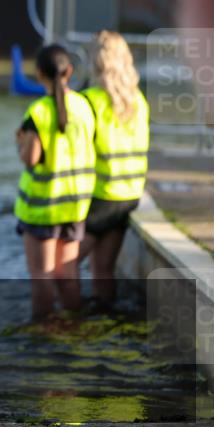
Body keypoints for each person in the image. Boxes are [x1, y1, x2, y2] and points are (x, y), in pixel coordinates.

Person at [14, 45, 96, 320]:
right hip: (74, 206)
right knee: (68, 275)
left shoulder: (39, 111)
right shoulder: (85, 106)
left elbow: (31, 158)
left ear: (39, 74)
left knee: (42, 275)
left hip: (43, 207)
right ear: (69, 72)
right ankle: (73, 326)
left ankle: (42, 333)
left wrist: (20, 142)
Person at [78, 32, 149, 305]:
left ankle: (63, 330)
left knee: (61, 269)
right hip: (128, 196)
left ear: (96, 62)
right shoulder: (138, 102)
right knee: (103, 271)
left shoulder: (89, 101)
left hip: (100, 198)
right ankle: (106, 322)